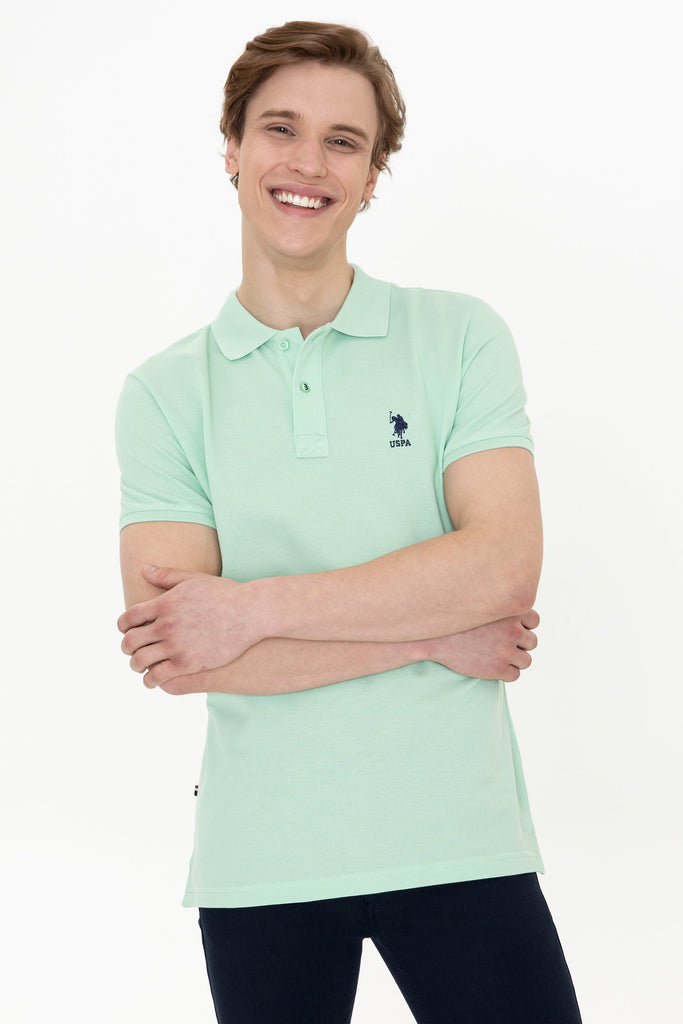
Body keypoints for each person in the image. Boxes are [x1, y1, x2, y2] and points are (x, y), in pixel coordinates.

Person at [116, 21, 582, 1024]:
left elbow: (503, 567)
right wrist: (429, 635)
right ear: (231, 147)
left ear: (372, 177)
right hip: (262, 861)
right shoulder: (163, 394)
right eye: (280, 128)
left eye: (343, 141)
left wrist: (249, 609)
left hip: (459, 843)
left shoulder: (458, 337)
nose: (308, 163)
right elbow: (181, 654)